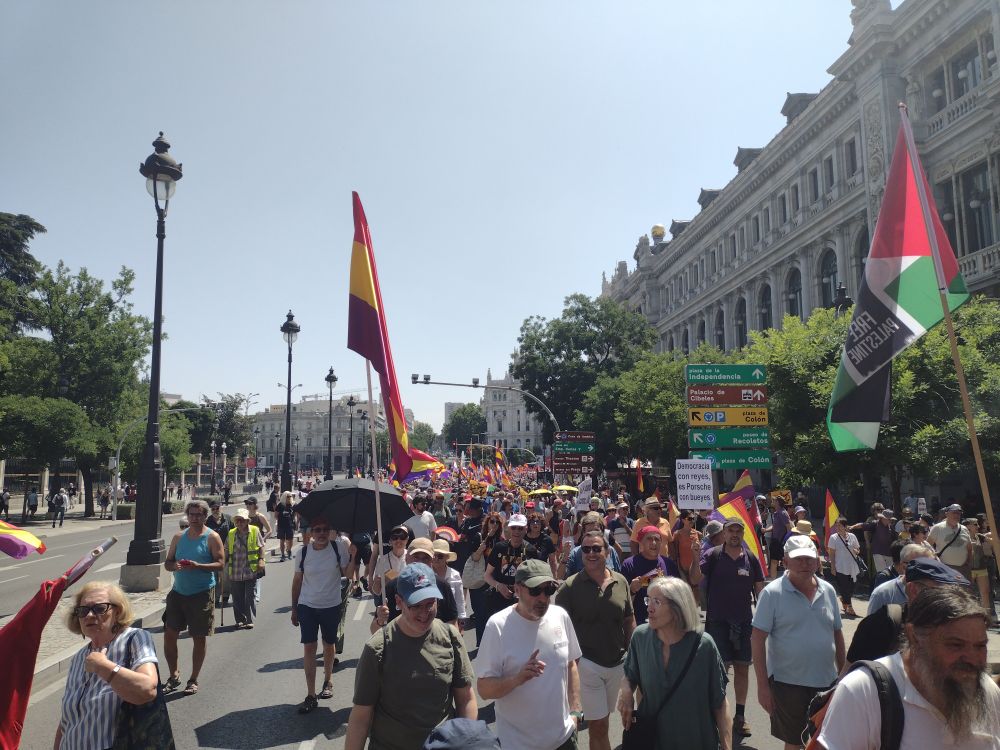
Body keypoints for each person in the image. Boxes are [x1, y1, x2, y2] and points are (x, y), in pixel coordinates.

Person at [818, 587, 1000, 748]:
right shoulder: (863, 692)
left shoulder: (986, 691)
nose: (971, 658)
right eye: (955, 645)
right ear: (914, 638)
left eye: (980, 646)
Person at [345, 562, 477, 750]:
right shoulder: (378, 648)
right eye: (416, 605)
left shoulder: (450, 636)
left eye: (430, 604)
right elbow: (361, 716)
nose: (424, 613)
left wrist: (468, 741)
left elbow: (466, 698)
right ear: (399, 602)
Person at [477, 559, 584, 750]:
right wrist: (517, 679)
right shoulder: (498, 626)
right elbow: (484, 690)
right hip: (519, 744)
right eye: (535, 591)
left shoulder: (560, 616)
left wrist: (575, 711)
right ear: (517, 589)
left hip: (564, 739)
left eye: (548, 590)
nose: (543, 598)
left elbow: (571, 664)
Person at [752, 534, 844, 750]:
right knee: (794, 742)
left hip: (826, 683)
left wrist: (843, 676)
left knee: (824, 741)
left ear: (817, 560)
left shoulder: (828, 590)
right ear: (786, 561)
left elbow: (837, 635)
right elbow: (757, 640)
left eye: (809, 558)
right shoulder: (772, 593)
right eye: (798, 559)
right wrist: (763, 686)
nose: (805, 564)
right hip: (788, 685)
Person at [617, 576, 731, 750]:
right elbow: (630, 674)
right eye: (648, 600)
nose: (649, 608)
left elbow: (720, 703)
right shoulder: (640, 637)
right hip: (652, 741)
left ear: (678, 607)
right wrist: (625, 690)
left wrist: (726, 746)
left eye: (657, 602)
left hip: (697, 741)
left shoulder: (704, 645)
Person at [55, 582, 164, 750]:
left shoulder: (135, 639)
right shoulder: (78, 658)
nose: (89, 615)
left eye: (99, 608)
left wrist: (104, 667)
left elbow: (147, 690)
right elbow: (67, 722)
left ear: (117, 611)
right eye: (83, 611)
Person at [556, 531, 634, 750]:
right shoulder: (569, 587)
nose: (591, 553)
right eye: (586, 549)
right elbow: (557, 628)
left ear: (607, 552)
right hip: (586, 664)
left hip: (617, 663)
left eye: (596, 548)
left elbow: (629, 619)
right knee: (597, 725)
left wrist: (633, 656)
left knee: (605, 721)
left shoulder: (621, 582)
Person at [701, 517, 766, 741]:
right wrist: (692, 556)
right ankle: (718, 716)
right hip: (717, 622)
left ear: (743, 533)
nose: (735, 534)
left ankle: (740, 716)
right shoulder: (712, 556)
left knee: (741, 669)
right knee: (719, 671)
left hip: (744, 624)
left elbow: (760, 591)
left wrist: (765, 621)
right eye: (731, 530)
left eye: (739, 531)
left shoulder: (751, 558)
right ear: (725, 533)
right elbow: (696, 580)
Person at [846, 557, 971, 665]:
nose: (949, 599)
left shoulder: (956, 626)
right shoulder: (880, 625)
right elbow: (849, 680)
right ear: (913, 590)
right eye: (941, 592)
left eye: (954, 592)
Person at [291, 517, 356, 713]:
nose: (321, 534)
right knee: (309, 647)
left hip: (331, 605)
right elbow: (297, 582)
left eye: (325, 530)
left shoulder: (338, 548)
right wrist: (294, 608)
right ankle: (310, 694)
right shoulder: (302, 553)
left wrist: (353, 556)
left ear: (330, 532)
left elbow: (348, 574)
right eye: (317, 530)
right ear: (310, 532)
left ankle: (328, 680)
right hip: (307, 605)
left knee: (329, 644)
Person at [163, 499, 224, 696]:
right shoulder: (178, 537)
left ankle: (193, 678)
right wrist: (175, 566)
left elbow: (221, 563)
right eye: (192, 514)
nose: (195, 518)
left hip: (201, 593)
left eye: (199, 515)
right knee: (169, 634)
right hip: (178, 593)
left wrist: (198, 566)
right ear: (187, 516)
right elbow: (168, 563)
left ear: (205, 516)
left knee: (198, 637)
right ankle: (174, 675)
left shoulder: (212, 537)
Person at [621, 524, 690, 625]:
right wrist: (632, 590)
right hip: (640, 623)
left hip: (666, 623)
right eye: (649, 539)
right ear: (640, 542)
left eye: (657, 539)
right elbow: (622, 603)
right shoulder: (629, 564)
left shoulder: (669, 564)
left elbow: (679, 596)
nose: (653, 543)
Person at [483, 513, 536, 622]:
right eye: (514, 527)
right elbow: (487, 576)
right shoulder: (499, 547)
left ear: (526, 529)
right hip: (498, 602)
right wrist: (499, 586)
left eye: (520, 528)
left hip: (521, 603)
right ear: (509, 528)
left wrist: (522, 591)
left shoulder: (531, 551)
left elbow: (535, 579)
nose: (517, 531)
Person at [866, 542, 937, 615]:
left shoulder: (937, 594)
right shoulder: (882, 594)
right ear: (904, 566)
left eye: (932, 566)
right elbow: (871, 624)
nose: (929, 571)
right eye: (923, 566)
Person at [226, 508, 265, 629]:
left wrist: (261, 560)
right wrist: (222, 560)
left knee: (250, 596)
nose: (239, 523)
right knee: (237, 597)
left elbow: (261, 546)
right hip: (235, 570)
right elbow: (226, 549)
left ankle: (249, 619)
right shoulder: (231, 533)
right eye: (237, 520)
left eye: (242, 520)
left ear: (247, 521)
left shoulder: (254, 530)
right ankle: (240, 620)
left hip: (250, 569)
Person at [826, 516, 862, 617]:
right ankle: (849, 606)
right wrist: (832, 566)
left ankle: (844, 599)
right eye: (836, 525)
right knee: (844, 587)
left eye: (840, 525)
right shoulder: (833, 538)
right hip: (840, 566)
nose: (837, 527)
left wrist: (855, 550)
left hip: (852, 566)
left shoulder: (852, 536)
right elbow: (831, 554)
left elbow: (858, 550)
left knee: (852, 587)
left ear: (845, 526)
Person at [371, 524, 411, 603]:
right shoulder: (382, 560)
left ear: (407, 539)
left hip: (408, 602)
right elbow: (377, 591)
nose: (398, 540)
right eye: (395, 537)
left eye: (402, 537)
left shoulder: (412, 557)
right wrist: (380, 582)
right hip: (389, 602)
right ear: (390, 541)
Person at [431, 538, 467, 627]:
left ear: (447, 557)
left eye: (440, 556)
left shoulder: (455, 574)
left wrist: (461, 623)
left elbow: (460, 600)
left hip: (450, 620)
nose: (435, 558)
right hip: (430, 619)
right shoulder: (426, 573)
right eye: (433, 555)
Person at [851, 508, 897, 575]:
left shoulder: (891, 527)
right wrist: (852, 527)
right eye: (889, 519)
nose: (890, 520)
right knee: (882, 573)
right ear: (883, 518)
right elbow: (862, 525)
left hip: (889, 553)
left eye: (890, 519)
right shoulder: (875, 524)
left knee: (890, 573)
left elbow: (894, 539)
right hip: (878, 552)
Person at [205, 500, 233, 607]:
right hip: (213, 552)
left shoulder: (228, 519)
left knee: (226, 576)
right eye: (213, 509)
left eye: (218, 508)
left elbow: (234, 532)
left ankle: (225, 595)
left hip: (227, 551)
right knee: (215, 576)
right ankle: (215, 597)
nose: (216, 510)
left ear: (221, 508)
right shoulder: (208, 521)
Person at [763, 498, 790, 578]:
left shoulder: (782, 513)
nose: (772, 502)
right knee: (774, 562)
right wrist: (766, 530)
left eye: (774, 501)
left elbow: (789, 528)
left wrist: (786, 541)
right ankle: (773, 582)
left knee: (784, 562)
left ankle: (788, 581)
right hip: (775, 541)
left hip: (780, 542)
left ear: (777, 502)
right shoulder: (777, 513)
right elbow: (774, 526)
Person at [275, 490, 296, 561]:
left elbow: (294, 515)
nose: (289, 498)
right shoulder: (280, 505)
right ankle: (283, 555)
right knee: (282, 540)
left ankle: (289, 551)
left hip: (290, 525)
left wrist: (295, 522)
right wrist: (279, 521)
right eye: (288, 496)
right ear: (284, 497)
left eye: (290, 496)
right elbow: (276, 515)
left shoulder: (293, 505)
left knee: (290, 539)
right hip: (281, 525)